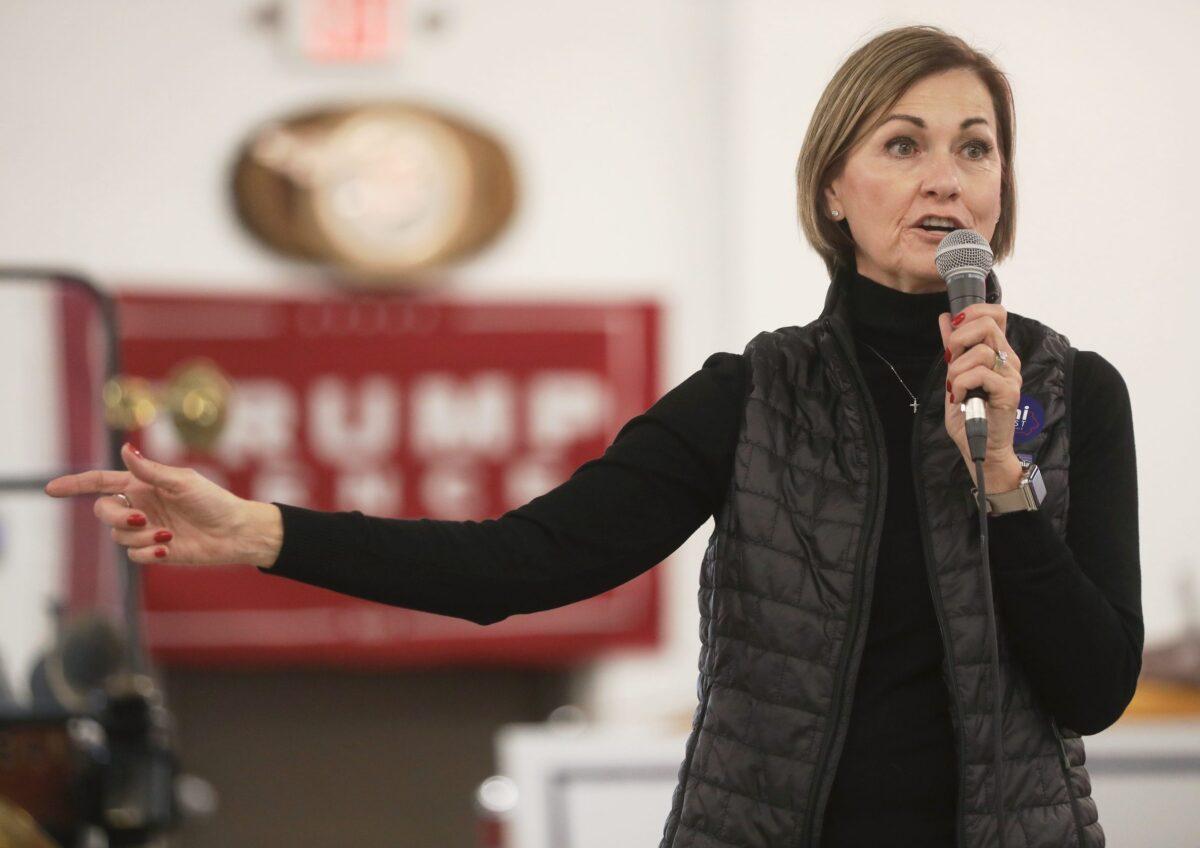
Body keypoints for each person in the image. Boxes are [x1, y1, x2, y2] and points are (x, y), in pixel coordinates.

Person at [45, 24, 1140, 848]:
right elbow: (517, 565)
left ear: (1004, 189)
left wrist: (1004, 484)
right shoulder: (754, 396)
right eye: (903, 142)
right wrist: (262, 531)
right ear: (834, 191)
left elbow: (1094, 689)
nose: (947, 174)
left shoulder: (1073, 395)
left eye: (976, 147)